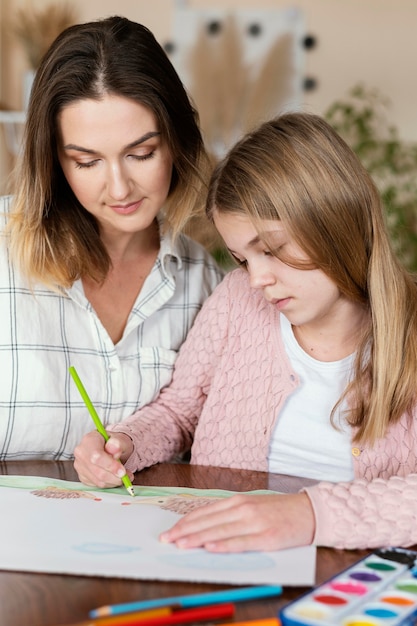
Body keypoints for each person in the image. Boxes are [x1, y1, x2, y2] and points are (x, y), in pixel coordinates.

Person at [73, 112, 417, 552]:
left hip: (351, 584)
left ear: (336, 222)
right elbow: (179, 411)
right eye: (242, 259)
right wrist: (126, 443)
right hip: (220, 561)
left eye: (271, 250)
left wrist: (309, 514)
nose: (257, 279)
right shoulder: (239, 300)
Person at [0, 16, 224, 460]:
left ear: (176, 142)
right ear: (53, 162)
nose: (119, 188)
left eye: (141, 154)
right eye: (87, 162)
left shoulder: (207, 286)